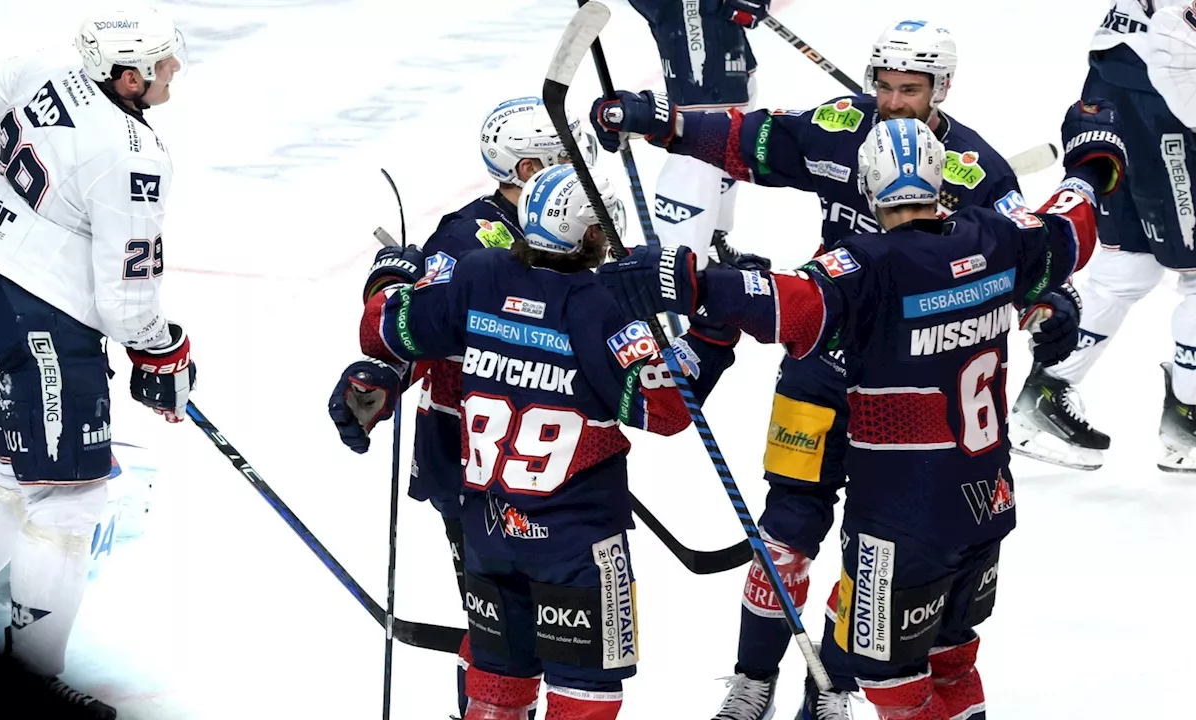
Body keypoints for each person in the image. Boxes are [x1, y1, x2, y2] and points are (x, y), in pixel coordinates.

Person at [595, 107, 1125, 720]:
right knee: (946, 650)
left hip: (900, 514)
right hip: (982, 497)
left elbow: (789, 303)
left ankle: (832, 690)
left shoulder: (867, 267)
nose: (899, 94)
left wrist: (691, 281)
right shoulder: (999, 234)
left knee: (895, 682)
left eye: (914, 85)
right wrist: (1091, 165)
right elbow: (1069, 224)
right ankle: (756, 681)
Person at [331, 163, 735, 720]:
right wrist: (714, 334)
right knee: (586, 691)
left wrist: (393, 279)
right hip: (575, 540)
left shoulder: (478, 275)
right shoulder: (601, 306)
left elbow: (383, 329)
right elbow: (664, 408)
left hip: (491, 529)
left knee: (497, 679)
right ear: (589, 231)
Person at [0, 6, 195, 716]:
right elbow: (129, 298)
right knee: (70, 498)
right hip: (35, 326)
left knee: (13, 477)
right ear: (126, 77)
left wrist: (26, 209)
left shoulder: (52, 64)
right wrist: (163, 349)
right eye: (163, 63)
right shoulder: (133, 154)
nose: (174, 71)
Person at [328, 95, 595, 719]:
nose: (583, 165)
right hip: (471, 457)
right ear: (530, 170)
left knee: (559, 628)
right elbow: (424, 329)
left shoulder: (576, 221)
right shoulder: (467, 237)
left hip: (556, 461)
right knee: (500, 625)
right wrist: (387, 368)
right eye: (566, 156)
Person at [1011, 0, 1196, 473]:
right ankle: (1189, 423)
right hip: (1163, 96)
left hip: (1122, 82)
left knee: (1125, 270)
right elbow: (1177, 43)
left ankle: (1045, 394)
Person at [625, 0, 771, 265]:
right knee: (699, 139)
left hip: (716, 27)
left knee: (733, 127)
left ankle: (711, 240)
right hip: (688, 14)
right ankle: (682, 273)